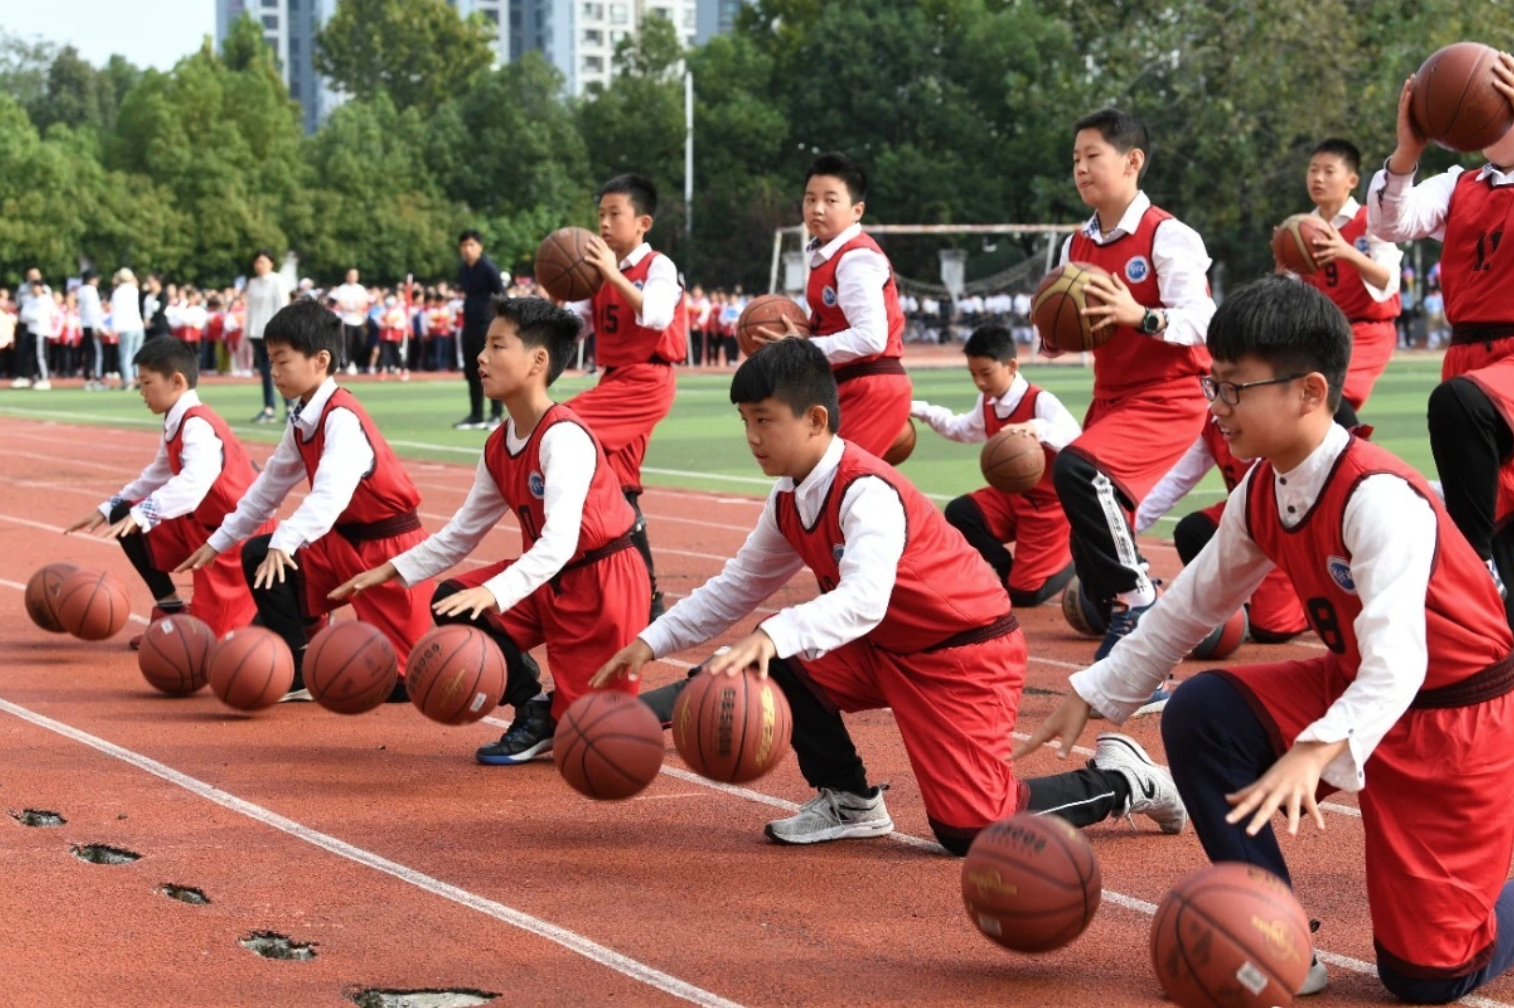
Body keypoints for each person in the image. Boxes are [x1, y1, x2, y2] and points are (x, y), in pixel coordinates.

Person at [1018, 275, 1514, 1002]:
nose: (1216, 407)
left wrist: (1316, 748)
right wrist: (1097, 693)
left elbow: (1401, 659)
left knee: (1428, 979)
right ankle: (1275, 935)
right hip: (1361, 685)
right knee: (1204, 714)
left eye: (1233, 389)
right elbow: (1190, 605)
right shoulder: (1262, 487)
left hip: (1453, 721)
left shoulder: (1378, 499)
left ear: (1309, 392)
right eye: (1214, 386)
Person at [599, 338, 1185, 854]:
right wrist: (651, 642)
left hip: (960, 655)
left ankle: (1123, 781)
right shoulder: (790, 496)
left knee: (972, 831)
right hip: (882, 648)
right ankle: (850, 800)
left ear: (815, 419)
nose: (752, 437)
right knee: (771, 660)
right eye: (744, 420)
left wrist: (771, 632)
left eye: (764, 420)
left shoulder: (865, 491)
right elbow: (736, 586)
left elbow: (863, 600)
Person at [335, 296, 651, 764]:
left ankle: (643, 702)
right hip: (547, 581)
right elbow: (462, 533)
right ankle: (533, 707)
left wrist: (496, 593)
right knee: (451, 599)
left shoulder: (562, 437)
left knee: (599, 743)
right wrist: (390, 570)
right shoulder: (499, 444)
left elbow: (561, 541)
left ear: (537, 361)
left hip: (603, 585)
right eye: (484, 345)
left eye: (497, 346)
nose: (481, 357)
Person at [177, 301, 433, 702]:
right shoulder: (302, 418)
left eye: (281, 361)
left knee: (398, 681)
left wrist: (286, 539)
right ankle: (300, 667)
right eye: (270, 361)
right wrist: (219, 541)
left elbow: (330, 496)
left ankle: (325, 652)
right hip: (340, 544)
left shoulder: (341, 418)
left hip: (387, 550)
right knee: (259, 553)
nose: (273, 371)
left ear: (320, 360)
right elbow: (268, 488)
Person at [1051, 108, 1216, 665]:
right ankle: (1147, 653)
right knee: (1086, 540)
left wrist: (1140, 315)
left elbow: (1204, 320)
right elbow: (1080, 329)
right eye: (1075, 159)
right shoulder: (1076, 246)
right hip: (1112, 398)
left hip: (1168, 395)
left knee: (1078, 469)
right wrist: (1056, 333)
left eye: (1092, 156)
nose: (1080, 168)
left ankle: (1141, 600)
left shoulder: (1169, 236)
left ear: (1132, 161)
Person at [1368, 53, 1514, 619]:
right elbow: (1388, 225)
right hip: (1469, 357)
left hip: (1498, 370)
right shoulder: (1459, 184)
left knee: (1459, 407)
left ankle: (1468, 567)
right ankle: (1487, 588)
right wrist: (1407, 151)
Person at [64, 338, 267, 645]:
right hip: (204, 528)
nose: (142, 392)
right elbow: (156, 475)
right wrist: (108, 508)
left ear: (177, 381)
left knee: (206, 648)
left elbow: (195, 482)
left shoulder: (197, 425)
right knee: (124, 512)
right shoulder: (177, 419)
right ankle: (172, 607)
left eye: (146, 382)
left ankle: (293, 617)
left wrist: (143, 512)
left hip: (237, 541)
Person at [566, 173, 688, 621]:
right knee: (619, 487)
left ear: (643, 222)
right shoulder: (596, 272)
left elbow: (655, 314)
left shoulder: (658, 265)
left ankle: (567, 578)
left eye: (613, 214)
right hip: (615, 381)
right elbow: (574, 325)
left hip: (646, 380)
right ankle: (649, 599)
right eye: (599, 214)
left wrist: (610, 274)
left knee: (558, 429)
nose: (603, 223)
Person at [751, 153, 913, 458]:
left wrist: (805, 347)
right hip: (846, 385)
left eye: (830, 200)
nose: (817, 208)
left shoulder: (856, 258)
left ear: (857, 210)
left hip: (870, 388)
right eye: (810, 199)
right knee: (810, 482)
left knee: (829, 484)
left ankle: (916, 509)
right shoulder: (827, 254)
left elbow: (871, 337)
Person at [910, 323, 1080, 606]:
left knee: (1025, 596)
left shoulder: (1040, 401)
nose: (979, 382)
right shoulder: (987, 402)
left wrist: (1039, 428)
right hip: (1010, 497)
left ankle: (1074, 555)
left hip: (1047, 507)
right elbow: (961, 428)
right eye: (973, 374)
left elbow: (1076, 441)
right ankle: (1005, 568)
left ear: (1012, 366)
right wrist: (920, 410)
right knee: (960, 512)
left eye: (986, 373)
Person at [1134, 416, 1310, 643]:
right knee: (1193, 530)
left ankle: (1312, 602)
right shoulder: (1214, 420)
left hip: (1288, 520)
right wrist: (1120, 534)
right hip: (1245, 511)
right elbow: (1175, 481)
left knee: (1272, 629)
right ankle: (1230, 606)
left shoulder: (1282, 416)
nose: (1215, 402)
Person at [1285, 138, 1402, 415]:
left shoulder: (1371, 221)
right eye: (1313, 170)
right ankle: (1348, 453)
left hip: (1366, 331)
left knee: (1327, 397)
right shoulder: (1300, 229)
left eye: (1328, 171)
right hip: (1320, 332)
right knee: (1293, 399)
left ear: (1351, 180)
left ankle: (1359, 456)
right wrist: (1283, 267)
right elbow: (1289, 296)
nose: (1318, 178)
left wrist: (1346, 252)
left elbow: (1388, 281)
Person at [455, 230, 508, 430]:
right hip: (469, 325)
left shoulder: (488, 268)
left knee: (491, 370)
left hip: (486, 326)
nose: (467, 249)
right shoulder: (464, 269)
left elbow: (502, 296)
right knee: (471, 371)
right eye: (464, 246)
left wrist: (500, 326)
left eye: (471, 245)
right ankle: (476, 414)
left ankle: (496, 414)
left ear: (480, 247)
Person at [245, 250, 293, 424]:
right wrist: (247, 331)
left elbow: (282, 307)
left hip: (273, 332)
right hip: (256, 332)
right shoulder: (253, 283)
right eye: (257, 262)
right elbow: (249, 308)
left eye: (263, 262)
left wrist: (281, 330)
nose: (260, 265)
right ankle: (269, 408)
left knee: (280, 370)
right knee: (265, 372)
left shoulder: (277, 281)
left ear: (271, 263)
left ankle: (289, 406)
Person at [329, 268, 371, 374]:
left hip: (358, 320)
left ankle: (352, 360)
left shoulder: (360, 289)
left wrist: (357, 307)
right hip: (346, 320)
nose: (353, 277)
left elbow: (365, 302)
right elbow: (341, 303)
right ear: (347, 276)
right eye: (351, 275)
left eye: (355, 275)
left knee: (361, 342)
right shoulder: (342, 289)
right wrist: (350, 308)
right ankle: (347, 364)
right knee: (347, 344)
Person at [77, 270, 105, 391]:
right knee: (97, 353)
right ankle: (97, 378)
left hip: (85, 324)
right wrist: (97, 327)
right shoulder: (91, 291)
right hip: (92, 325)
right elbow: (93, 310)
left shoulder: (81, 290)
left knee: (89, 353)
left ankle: (88, 377)